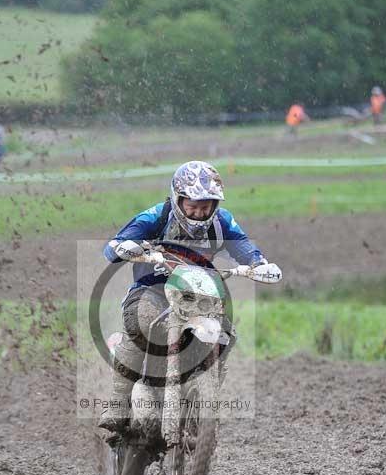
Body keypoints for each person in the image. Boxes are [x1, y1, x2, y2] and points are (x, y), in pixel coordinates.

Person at [98, 160, 276, 433]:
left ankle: (205, 393)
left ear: (214, 205)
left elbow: (245, 247)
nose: (198, 213)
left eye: (205, 207)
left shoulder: (222, 222)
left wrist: (258, 264)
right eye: (192, 205)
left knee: (226, 334)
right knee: (140, 323)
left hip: (198, 294)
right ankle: (118, 403)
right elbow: (113, 247)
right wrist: (127, 247)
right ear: (178, 199)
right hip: (152, 289)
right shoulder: (157, 216)